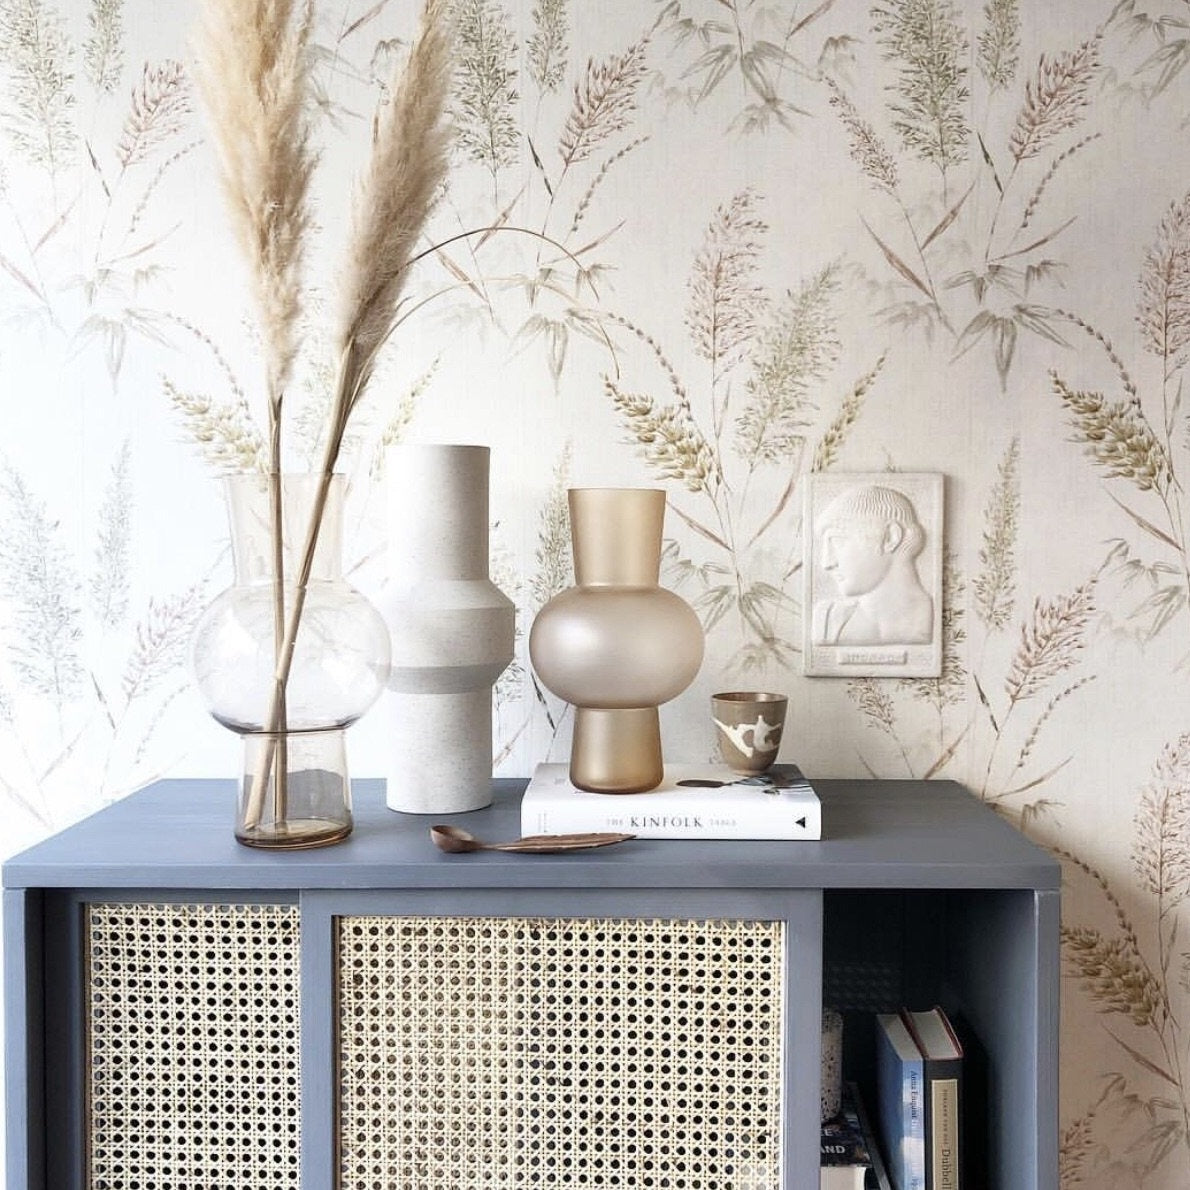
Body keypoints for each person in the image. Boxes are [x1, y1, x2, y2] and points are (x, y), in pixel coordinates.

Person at [811, 484, 934, 647]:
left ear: (891, 537)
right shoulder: (827, 619)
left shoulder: (924, 617)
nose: (827, 562)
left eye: (837, 541)